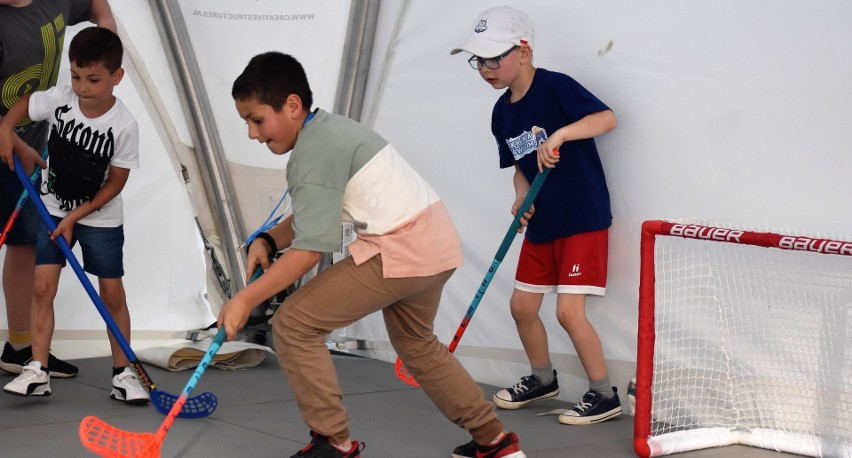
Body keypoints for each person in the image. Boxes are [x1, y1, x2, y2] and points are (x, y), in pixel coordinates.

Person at [218, 51, 526, 458]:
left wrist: (243, 299)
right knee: (417, 345)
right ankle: (495, 441)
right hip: (435, 244)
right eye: (247, 123)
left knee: (294, 323)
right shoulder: (327, 131)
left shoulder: (314, 150)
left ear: (292, 105)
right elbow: (316, 210)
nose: (253, 134)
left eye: (256, 120)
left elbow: (310, 251)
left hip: (400, 249)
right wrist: (271, 239)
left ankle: (334, 444)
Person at [451, 6, 622, 426]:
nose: (486, 69)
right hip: (542, 223)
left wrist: (562, 133)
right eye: (479, 60)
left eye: (494, 58)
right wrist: (521, 198)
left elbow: (608, 117)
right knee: (522, 307)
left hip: (582, 217)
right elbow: (520, 166)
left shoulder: (556, 87)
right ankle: (543, 379)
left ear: (523, 52)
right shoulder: (501, 112)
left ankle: (604, 394)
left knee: (568, 312)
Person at [0, 26, 147, 403]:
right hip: (52, 208)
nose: (82, 87)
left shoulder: (123, 125)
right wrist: (5, 127)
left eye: (93, 79)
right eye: (76, 76)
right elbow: (28, 102)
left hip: (100, 218)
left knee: (111, 295)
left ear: (117, 77)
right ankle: (37, 369)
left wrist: (74, 218)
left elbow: (115, 183)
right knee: (42, 287)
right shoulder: (61, 99)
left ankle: (124, 374)